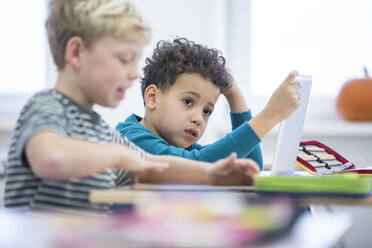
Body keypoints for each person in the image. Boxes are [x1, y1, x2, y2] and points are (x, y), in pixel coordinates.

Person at [4, 0, 259, 213]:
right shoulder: (47, 107)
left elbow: (151, 165)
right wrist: (117, 155)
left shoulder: (101, 131)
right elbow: (50, 159)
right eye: (124, 59)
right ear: (76, 52)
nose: (134, 73)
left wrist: (212, 173)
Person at [116, 38, 301, 171]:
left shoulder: (179, 147)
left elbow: (251, 165)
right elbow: (200, 163)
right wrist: (270, 116)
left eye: (207, 111)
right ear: (153, 97)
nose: (198, 118)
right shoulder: (131, 140)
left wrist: (234, 96)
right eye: (188, 101)